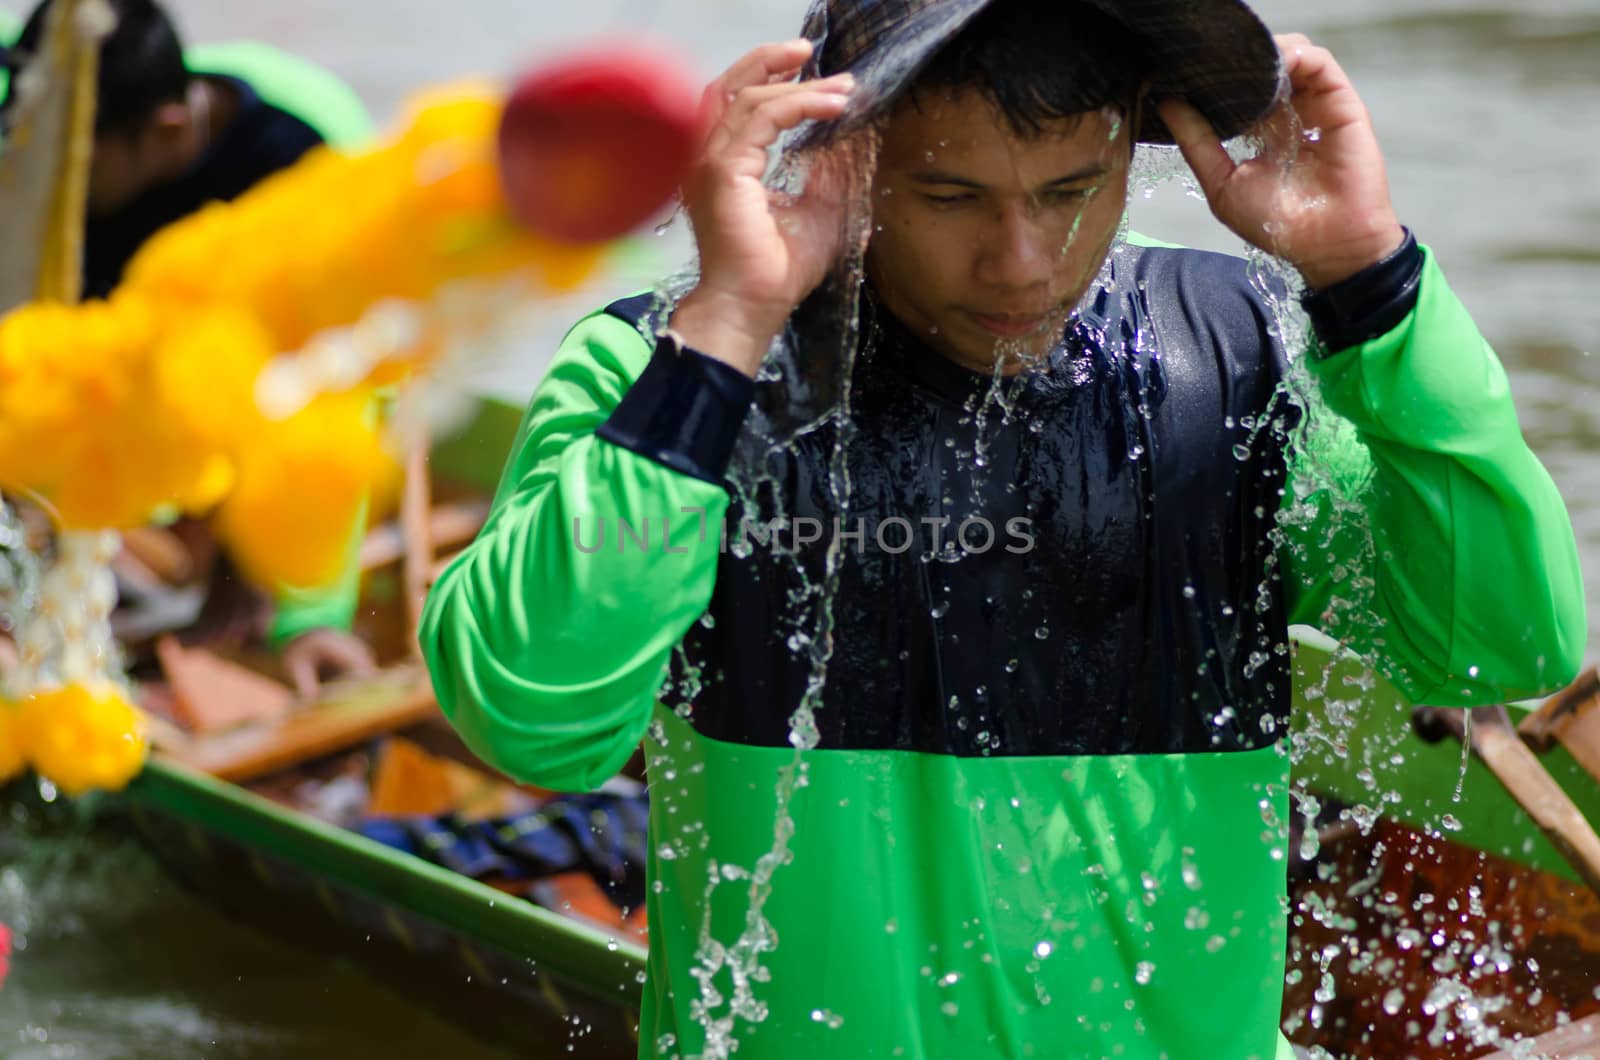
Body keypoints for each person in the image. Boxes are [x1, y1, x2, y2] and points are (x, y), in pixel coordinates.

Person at [420, 0, 1588, 1056]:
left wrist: (1372, 282)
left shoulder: (1246, 353)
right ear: (846, 157)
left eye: (1070, 192)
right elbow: (533, 722)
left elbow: (1494, 647)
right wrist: (727, 322)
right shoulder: (666, 374)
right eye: (950, 198)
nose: (1022, 264)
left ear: (1136, 144)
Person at [0, 0, 377, 695]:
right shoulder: (59, 107)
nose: (48, 181)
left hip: (290, 327)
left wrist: (308, 613)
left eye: (72, 165)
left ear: (168, 135)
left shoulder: (296, 179)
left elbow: (333, 399)